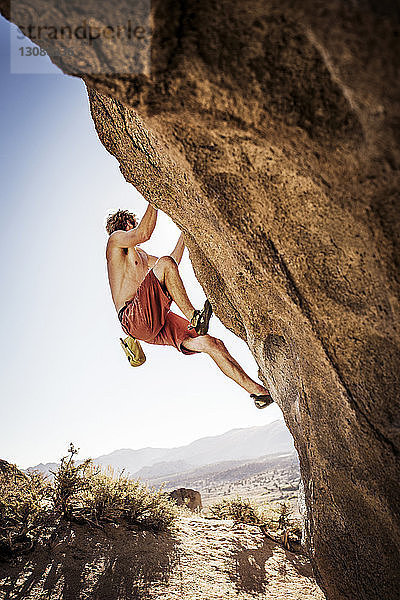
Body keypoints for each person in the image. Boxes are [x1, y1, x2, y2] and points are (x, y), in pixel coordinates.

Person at [105, 203, 273, 409]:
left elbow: (171, 264)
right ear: (121, 228)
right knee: (165, 265)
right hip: (133, 316)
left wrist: (185, 232)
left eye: (133, 222)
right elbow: (145, 234)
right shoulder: (115, 243)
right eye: (129, 224)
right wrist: (153, 199)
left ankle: (259, 393)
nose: (133, 226)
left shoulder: (141, 256)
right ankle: (195, 316)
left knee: (211, 343)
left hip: (153, 325)